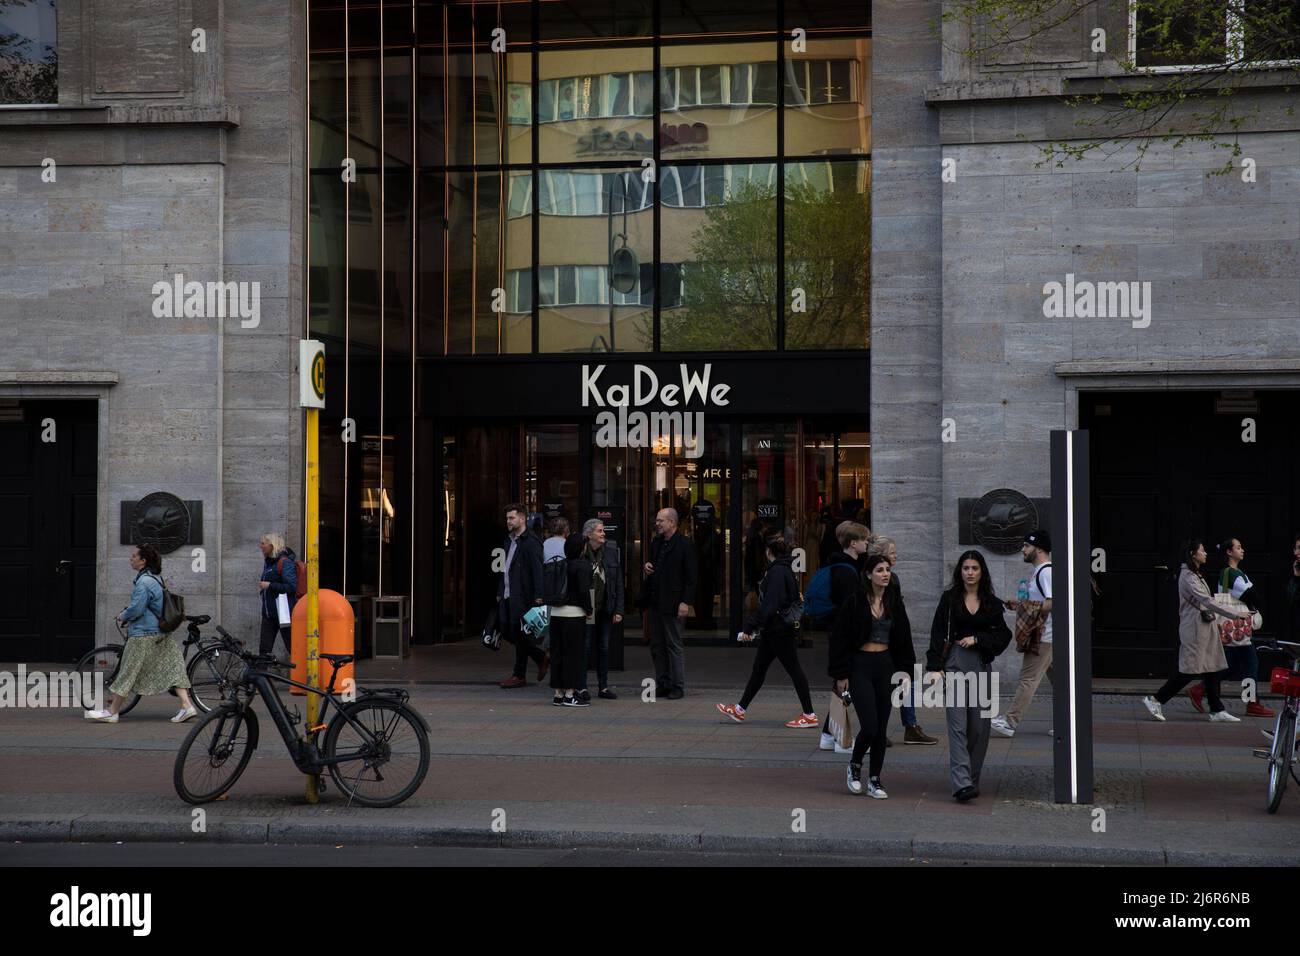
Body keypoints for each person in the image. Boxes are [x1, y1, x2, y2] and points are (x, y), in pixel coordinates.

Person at [926, 550, 1012, 802]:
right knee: (957, 726)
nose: (970, 572)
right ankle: (961, 783)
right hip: (954, 664)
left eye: (975, 568)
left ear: (981, 571)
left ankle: (972, 779)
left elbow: (1003, 636)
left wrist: (978, 639)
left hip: (981, 665)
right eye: (966, 568)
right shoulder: (949, 599)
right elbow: (937, 631)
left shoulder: (992, 603)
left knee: (979, 729)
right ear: (960, 571)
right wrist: (934, 666)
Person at [830, 554, 916, 798]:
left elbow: (904, 639)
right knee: (869, 725)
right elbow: (839, 639)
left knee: (881, 728)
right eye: (880, 570)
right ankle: (855, 766)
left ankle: (875, 779)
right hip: (860, 666)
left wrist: (906, 672)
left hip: (886, 666)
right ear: (868, 574)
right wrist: (840, 674)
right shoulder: (854, 602)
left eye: (888, 569)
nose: (885, 574)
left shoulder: (894, 602)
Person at [1142, 538, 1252, 724]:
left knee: (1212, 666)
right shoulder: (1188, 577)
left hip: (1204, 628)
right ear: (1193, 554)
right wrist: (1235, 614)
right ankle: (1156, 699)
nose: (1206, 553)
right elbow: (1206, 601)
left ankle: (1217, 709)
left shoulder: (1195, 574)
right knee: (1189, 669)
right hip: (1194, 630)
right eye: (1202, 550)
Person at [85, 544, 198, 723]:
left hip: (143, 635)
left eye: (134, 556)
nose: (131, 558)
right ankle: (186, 706)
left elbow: (137, 609)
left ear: (143, 561)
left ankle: (112, 712)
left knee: (128, 671)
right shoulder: (155, 579)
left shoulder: (144, 582)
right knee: (174, 670)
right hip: (160, 634)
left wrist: (123, 615)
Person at [716, 536, 817, 728]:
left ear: (769, 552)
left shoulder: (777, 572)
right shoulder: (785, 569)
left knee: (794, 670)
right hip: (775, 630)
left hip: (779, 630)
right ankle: (739, 710)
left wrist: (751, 626)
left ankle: (809, 714)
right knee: (759, 669)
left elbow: (770, 604)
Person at [1184, 538, 1274, 718]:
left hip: (1233, 626)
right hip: (1237, 626)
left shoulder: (1234, 572)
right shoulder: (1231, 573)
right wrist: (1258, 604)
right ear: (1229, 552)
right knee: (1251, 663)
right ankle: (1251, 703)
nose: (1242, 550)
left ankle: (1199, 689)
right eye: (1238, 547)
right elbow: (1250, 596)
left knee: (1231, 665)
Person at [868, 534, 938, 746]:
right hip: (891, 641)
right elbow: (894, 614)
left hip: (891, 640)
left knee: (900, 681)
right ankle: (901, 727)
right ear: (881, 556)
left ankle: (905, 726)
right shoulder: (887, 579)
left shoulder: (886, 578)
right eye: (892, 553)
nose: (896, 556)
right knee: (897, 682)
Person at [992, 530, 1053, 738]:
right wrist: (1020, 605)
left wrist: (1028, 608)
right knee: (1062, 684)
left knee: (1028, 679)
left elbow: (1052, 603)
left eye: (1027, 546)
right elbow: (1038, 603)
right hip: (1049, 637)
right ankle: (1068, 722)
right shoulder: (1040, 572)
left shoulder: (1046, 572)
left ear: (1040, 549)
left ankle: (1009, 722)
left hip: (1044, 637)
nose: (1023, 549)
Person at [819, 521, 871, 753]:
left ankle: (829, 734)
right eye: (864, 540)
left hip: (839, 632)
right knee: (845, 685)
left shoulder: (842, 566)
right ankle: (841, 738)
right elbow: (850, 610)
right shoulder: (847, 572)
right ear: (853, 543)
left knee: (842, 685)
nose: (867, 543)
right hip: (845, 635)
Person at [644, 508, 696, 699]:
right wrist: (648, 567)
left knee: (674, 644)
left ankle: (677, 685)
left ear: (672, 523)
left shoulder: (685, 545)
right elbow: (655, 564)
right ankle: (663, 682)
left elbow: (691, 577)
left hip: (674, 601)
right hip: (656, 599)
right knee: (657, 644)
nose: (657, 523)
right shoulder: (656, 542)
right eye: (657, 520)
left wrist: (685, 602)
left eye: (661, 521)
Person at [498, 503, 548, 689]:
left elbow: (538, 571)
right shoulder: (509, 540)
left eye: (511, 518)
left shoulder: (531, 542)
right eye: (507, 518)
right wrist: (500, 591)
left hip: (524, 597)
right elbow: (506, 568)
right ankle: (540, 657)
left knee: (519, 634)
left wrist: (538, 597)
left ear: (522, 518)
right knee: (510, 633)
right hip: (509, 594)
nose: (508, 521)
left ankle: (519, 675)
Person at [578, 518, 623, 701]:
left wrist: (619, 609)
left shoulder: (610, 553)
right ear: (589, 535)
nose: (603, 533)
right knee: (585, 647)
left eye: (603, 530)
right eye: (599, 531)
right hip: (588, 608)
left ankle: (603, 687)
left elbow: (618, 583)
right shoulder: (581, 553)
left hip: (606, 606)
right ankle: (581, 687)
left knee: (604, 647)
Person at [548, 532, 594, 707]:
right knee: (573, 655)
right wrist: (589, 610)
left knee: (557, 654)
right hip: (574, 615)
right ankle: (570, 694)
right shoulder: (583, 565)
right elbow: (584, 592)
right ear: (581, 548)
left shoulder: (560, 563)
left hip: (556, 614)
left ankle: (558, 693)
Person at [258, 533, 298, 662]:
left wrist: (270, 585)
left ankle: (302, 676)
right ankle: (260, 680)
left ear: (272, 545)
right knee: (264, 649)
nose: (261, 546)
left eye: (263, 543)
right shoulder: (269, 563)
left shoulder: (285, 562)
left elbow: (291, 587)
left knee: (292, 646)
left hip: (283, 612)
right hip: (269, 613)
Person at [1290, 532, 1300, 643]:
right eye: (1296, 549)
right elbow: (1291, 603)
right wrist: (1296, 576)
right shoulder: (1294, 574)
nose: (1297, 552)